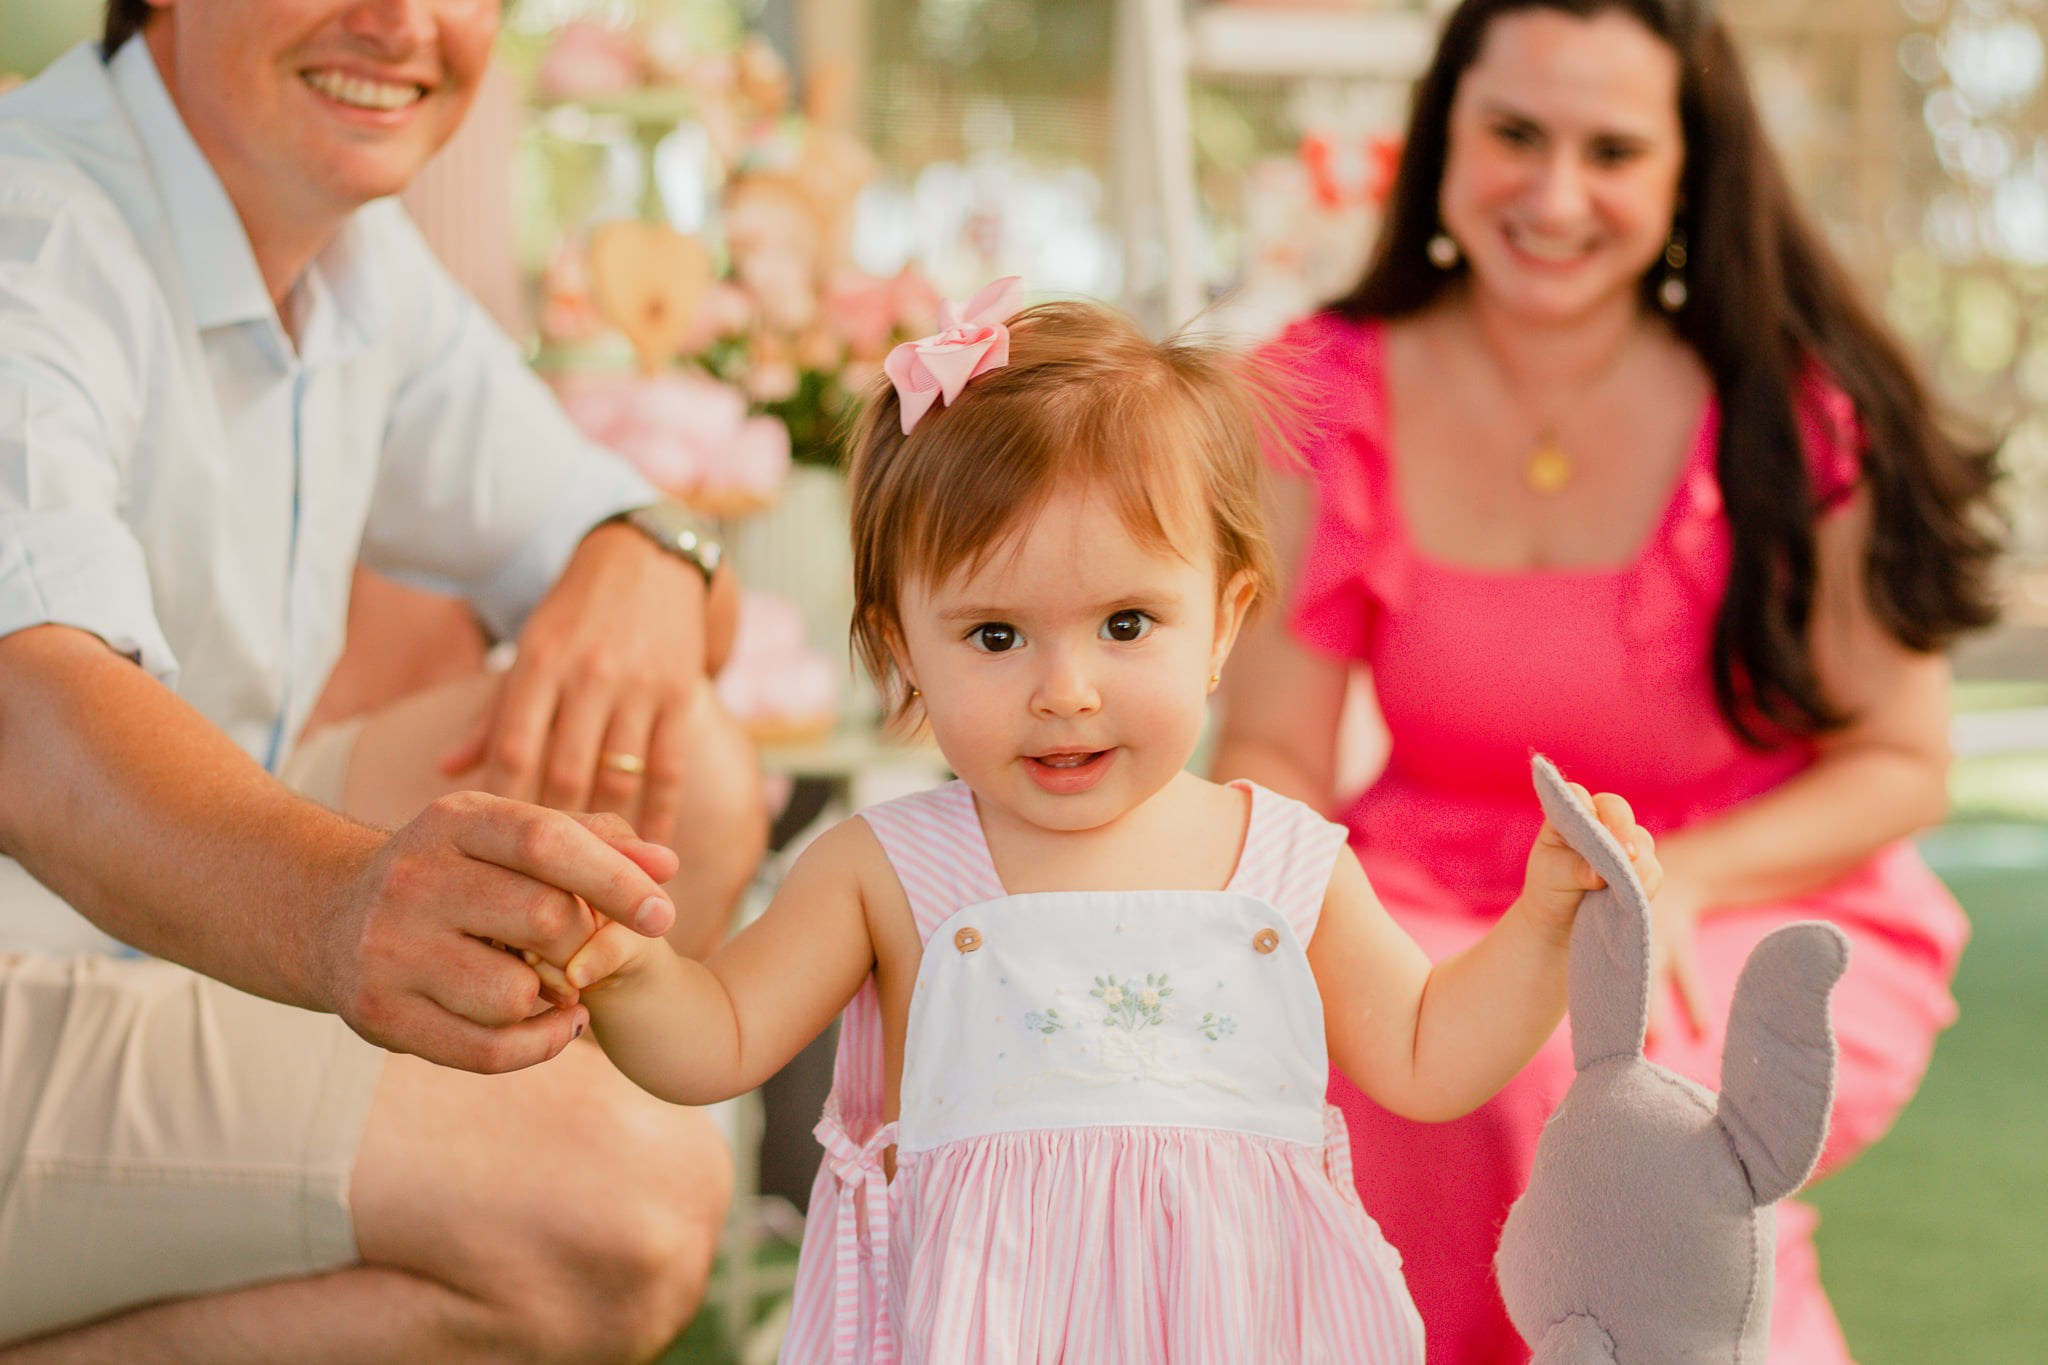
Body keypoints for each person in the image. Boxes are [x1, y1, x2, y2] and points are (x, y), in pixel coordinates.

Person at [549, 286, 1662, 1361]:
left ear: (1221, 623)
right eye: (994, 637)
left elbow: (1428, 1056)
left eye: (1125, 624)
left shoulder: (1280, 865)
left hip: (1246, 1329)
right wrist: (629, 967)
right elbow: (717, 1040)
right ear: (902, 649)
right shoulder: (883, 870)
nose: (1066, 690)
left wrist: (1542, 925)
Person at [1209, 1, 2003, 1361]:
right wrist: (1303, 921)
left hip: (1747, 883)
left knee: (1620, 1108)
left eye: (1615, 151)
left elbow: (1902, 760)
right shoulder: (1315, 394)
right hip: (1428, 875)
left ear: (1689, 172)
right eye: (1515, 131)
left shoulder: (1800, 410)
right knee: (1419, 1069)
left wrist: (1677, 885)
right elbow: (1273, 747)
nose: (1555, 192)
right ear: (1442, 134)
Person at [0, 0, 768, 1358]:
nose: (400, 22)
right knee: (626, 1196)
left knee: (680, 765)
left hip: (143, 938)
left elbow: (660, 559)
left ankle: (447, 1183)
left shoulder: (356, 258)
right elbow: (32, 730)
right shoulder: (34, 232)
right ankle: (500, 1186)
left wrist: (648, 554)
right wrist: (338, 907)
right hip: (23, 975)